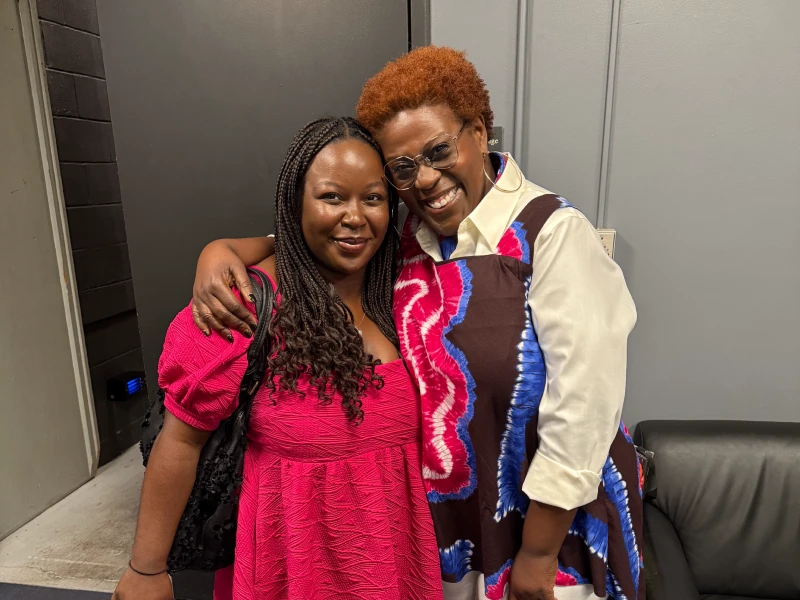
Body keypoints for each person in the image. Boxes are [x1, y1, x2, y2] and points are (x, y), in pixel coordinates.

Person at [191, 47, 643, 600]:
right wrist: (221, 251)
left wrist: (538, 553)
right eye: (403, 168)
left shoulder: (552, 234)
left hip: (546, 529)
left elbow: (584, 410)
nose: (425, 179)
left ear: (479, 132)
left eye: (439, 151)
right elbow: (314, 236)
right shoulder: (408, 240)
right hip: (446, 531)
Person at [112, 117, 442, 600]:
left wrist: (224, 246)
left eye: (372, 198)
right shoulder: (240, 307)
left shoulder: (405, 290)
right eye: (332, 197)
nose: (355, 216)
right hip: (290, 570)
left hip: (398, 566)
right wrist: (146, 571)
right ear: (295, 204)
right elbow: (180, 441)